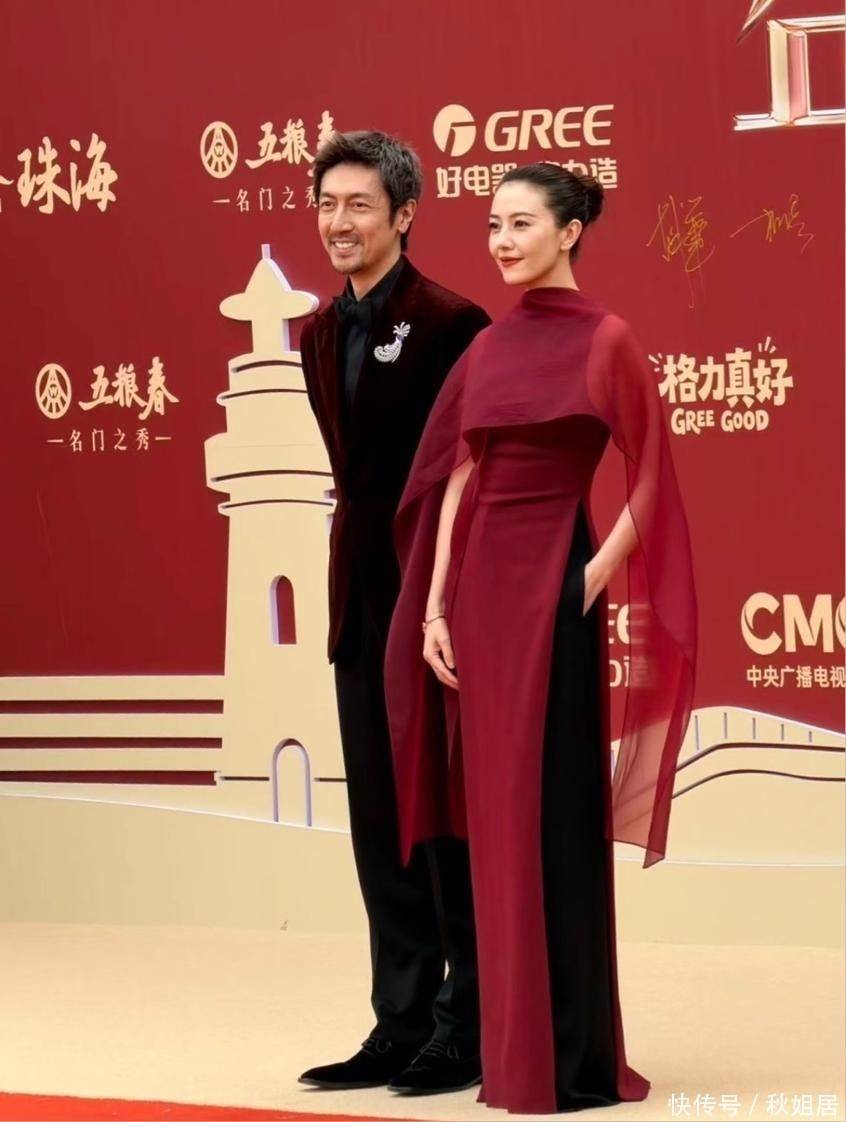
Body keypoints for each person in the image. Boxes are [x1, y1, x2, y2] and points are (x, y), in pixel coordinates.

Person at [384, 163, 698, 1114]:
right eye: (492, 225)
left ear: (569, 232)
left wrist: (589, 580)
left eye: (521, 224)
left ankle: (568, 1057)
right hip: (480, 600)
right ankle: (512, 1050)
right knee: (495, 822)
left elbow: (653, 479)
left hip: (557, 591)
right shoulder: (487, 348)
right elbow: (459, 480)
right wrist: (435, 608)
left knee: (554, 817)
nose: (502, 241)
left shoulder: (608, 340)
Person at [297, 130, 491, 1095]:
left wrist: (444, 595)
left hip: (436, 598)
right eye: (328, 203)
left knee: (443, 816)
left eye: (360, 204)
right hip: (357, 594)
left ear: (405, 214)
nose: (340, 222)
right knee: (379, 816)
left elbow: (471, 471)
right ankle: (400, 1019)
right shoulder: (314, 333)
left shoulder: (455, 322)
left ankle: (469, 1024)